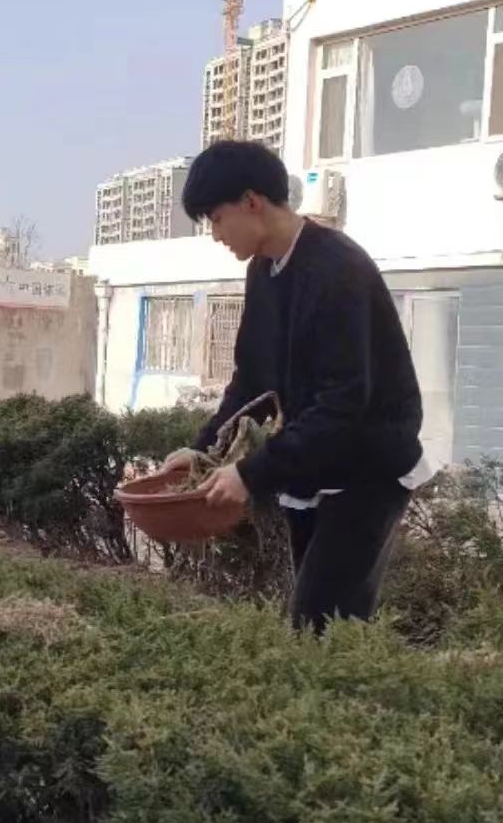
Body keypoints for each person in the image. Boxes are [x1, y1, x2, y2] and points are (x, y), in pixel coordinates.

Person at [161, 140, 433, 634]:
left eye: (217, 219)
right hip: (314, 465)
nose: (215, 234)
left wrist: (251, 473)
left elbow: (344, 404)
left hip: (368, 467)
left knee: (321, 623)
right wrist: (202, 450)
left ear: (251, 202)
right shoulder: (263, 271)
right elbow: (252, 382)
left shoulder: (338, 269)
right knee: (317, 627)